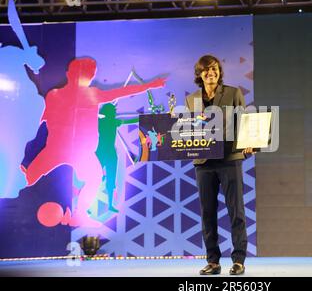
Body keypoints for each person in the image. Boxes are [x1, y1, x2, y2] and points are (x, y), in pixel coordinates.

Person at [24, 57, 165, 227]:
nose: (86, 78)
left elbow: (121, 92)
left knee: (93, 177)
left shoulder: (80, 94)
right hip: (60, 149)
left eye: (87, 75)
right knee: (30, 176)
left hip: (75, 152)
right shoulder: (62, 95)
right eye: (86, 74)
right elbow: (36, 120)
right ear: (71, 74)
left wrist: (149, 85)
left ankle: (80, 212)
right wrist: (150, 85)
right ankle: (79, 212)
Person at [185, 55, 254, 275]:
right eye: (205, 70)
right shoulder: (191, 99)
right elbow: (187, 130)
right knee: (208, 213)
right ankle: (213, 261)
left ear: (219, 71)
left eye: (214, 69)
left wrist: (249, 143)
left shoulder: (233, 93)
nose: (210, 73)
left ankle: (238, 260)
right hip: (203, 163)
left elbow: (245, 122)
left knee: (236, 211)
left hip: (229, 159)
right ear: (200, 74)